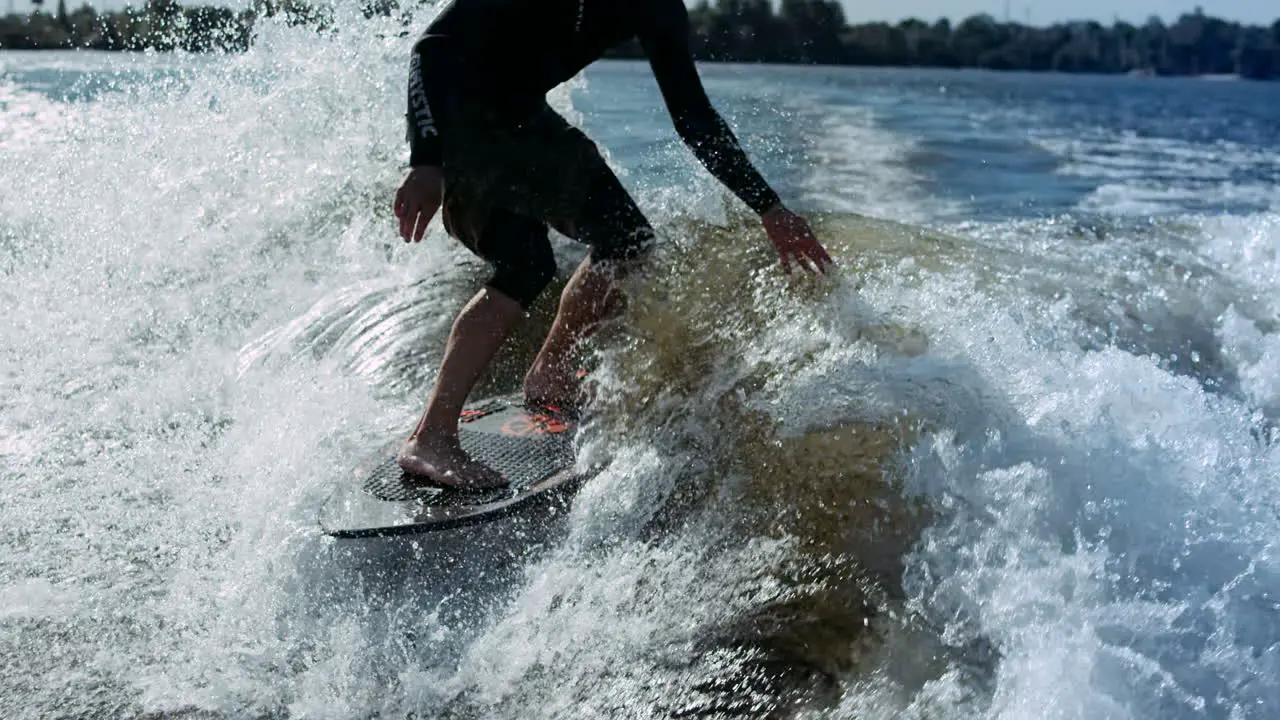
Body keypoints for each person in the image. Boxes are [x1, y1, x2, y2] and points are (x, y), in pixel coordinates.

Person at [393, 0, 834, 489]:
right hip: (460, 120)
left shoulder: (658, 8)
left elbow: (694, 119)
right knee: (526, 262)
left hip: (525, 121)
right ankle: (429, 436)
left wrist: (768, 208)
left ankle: (550, 376)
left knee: (626, 239)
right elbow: (430, 50)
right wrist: (426, 160)